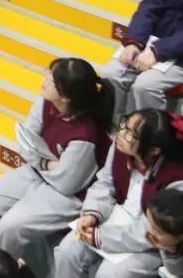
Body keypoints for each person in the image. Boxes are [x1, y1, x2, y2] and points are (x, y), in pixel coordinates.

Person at [0, 57, 113, 260]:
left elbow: (66, 183)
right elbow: (25, 142)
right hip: (40, 173)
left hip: (70, 195)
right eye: (49, 73)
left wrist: (41, 160)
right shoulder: (46, 102)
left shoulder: (86, 135)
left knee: (10, 226)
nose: (45, 78)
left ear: (65, 97)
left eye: (52, 79)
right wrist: (47, 163)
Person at [53, 108, 183, 278]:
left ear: (154, 150)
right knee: (67, 251)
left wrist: (103, 238)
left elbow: (155, 226)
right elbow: (105, 183)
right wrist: (92, 214)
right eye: (124, 125)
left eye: (131, 134)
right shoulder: (120, 146)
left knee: (110, 274)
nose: (121, 134)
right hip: (116, 218)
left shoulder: (176, 178)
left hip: (149, 239)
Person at [103, 0, 183, 116]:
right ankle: (117, 127)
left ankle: (150, 131)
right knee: (112, 74)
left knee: (145, 86)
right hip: (153, 43)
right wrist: (134, 41)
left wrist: (158, 52)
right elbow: (151, 5)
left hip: (178, 56)